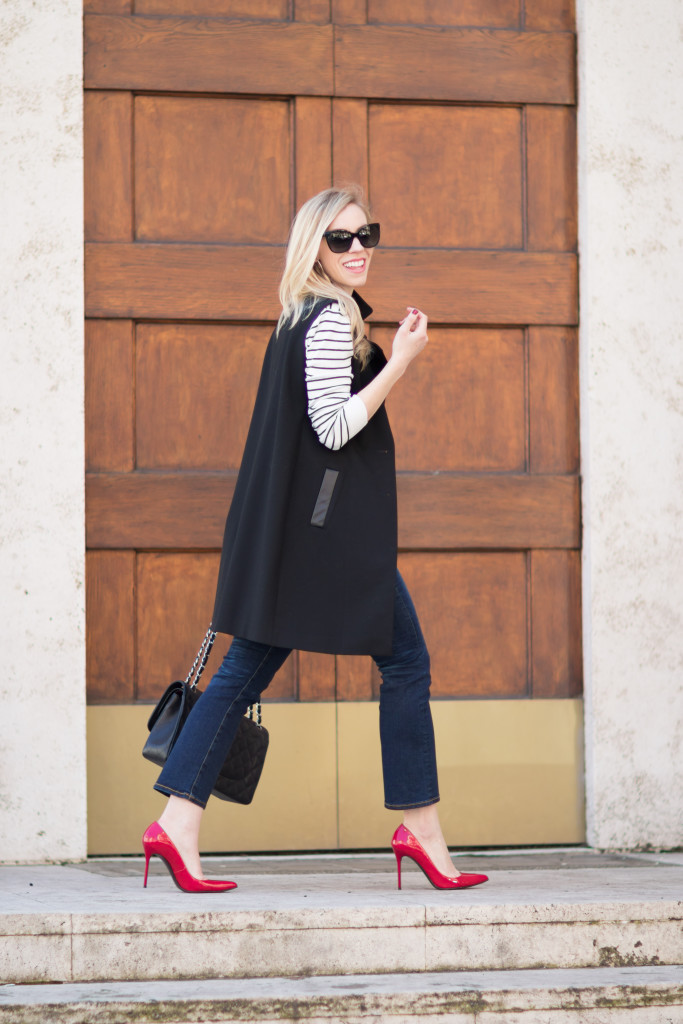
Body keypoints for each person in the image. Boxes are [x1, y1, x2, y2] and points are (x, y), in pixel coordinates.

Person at [142, 185, 489, 895]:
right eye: (340, 239)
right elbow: (332, 427)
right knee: (403, 663)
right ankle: (418, 832)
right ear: (313, 247)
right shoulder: (328, 320)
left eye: (367, 235)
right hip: (324, 541)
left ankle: (177, 822)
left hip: (302, 536)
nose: (358, 249)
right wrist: (402, 361)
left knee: (249, 671)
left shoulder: (299, 316)